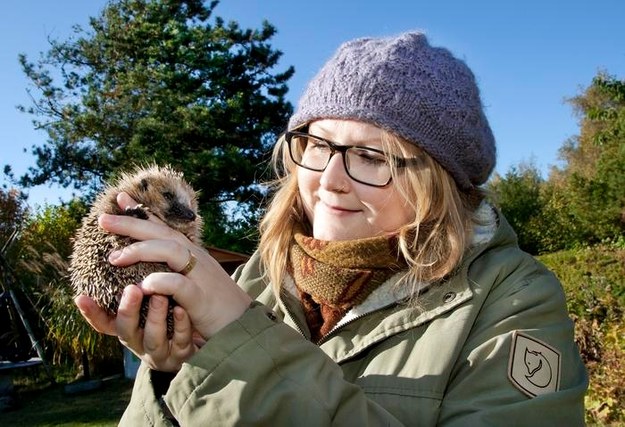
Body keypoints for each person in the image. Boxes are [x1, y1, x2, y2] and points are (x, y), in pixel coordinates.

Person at [75, 31, 588, 425]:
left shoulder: (514, 299)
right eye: (318, 147)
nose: (329, 181)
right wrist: (171, 374)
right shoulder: (258, 277)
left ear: (440, 180)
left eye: (370, 156)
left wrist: (239, 336)